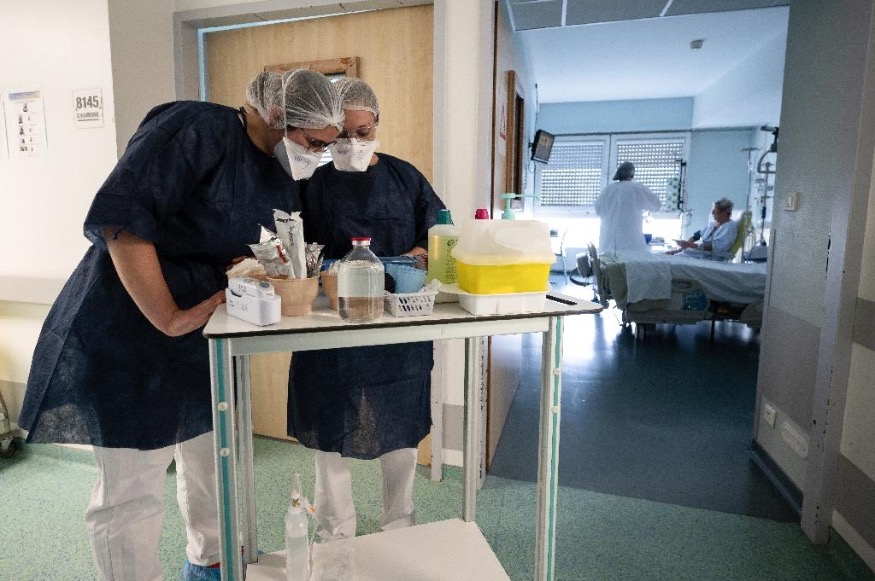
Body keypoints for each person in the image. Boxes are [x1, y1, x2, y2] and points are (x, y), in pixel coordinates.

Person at [18, 69, 343, 581]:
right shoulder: (193, 129)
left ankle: (211, 560)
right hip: (129, 324)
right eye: (314, 143)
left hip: (203, 328)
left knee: (212, 457)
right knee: (132, 482)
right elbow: (122, 222)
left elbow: (227, 232)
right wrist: (169, 317)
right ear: (279, 114)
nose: (317, 155)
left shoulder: (276, 168)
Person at [289, 77, 446, 541]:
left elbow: (437, 232)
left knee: (399, 432)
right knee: (330, 432)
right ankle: (335, 535)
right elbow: (294, 249)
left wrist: (412, 258)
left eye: (362, 132)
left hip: (397, 324)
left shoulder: (404, 178)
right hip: (332, 325)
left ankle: (399, 529)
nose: (351, 143)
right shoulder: (312, 184)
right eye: (340, 135)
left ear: (377, 123)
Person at [594, 161, 662, 253]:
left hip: (607, 244)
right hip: (630, 243)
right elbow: (657, 205)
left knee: (609, 261)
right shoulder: (637, 188)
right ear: (632, 174)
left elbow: (598, 210)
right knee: (632, 260)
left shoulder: (607, 190)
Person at [669, 197, 739, 260]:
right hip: (701, 254)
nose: (712, 213)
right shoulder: (714, 224)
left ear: (724, 212)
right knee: (669, 257)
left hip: (711, 258)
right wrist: (678, 250)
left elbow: (714, 248)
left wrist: (689, 245)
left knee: (672, 261)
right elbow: (697, 235)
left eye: (715, 211)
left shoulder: (730, 227)